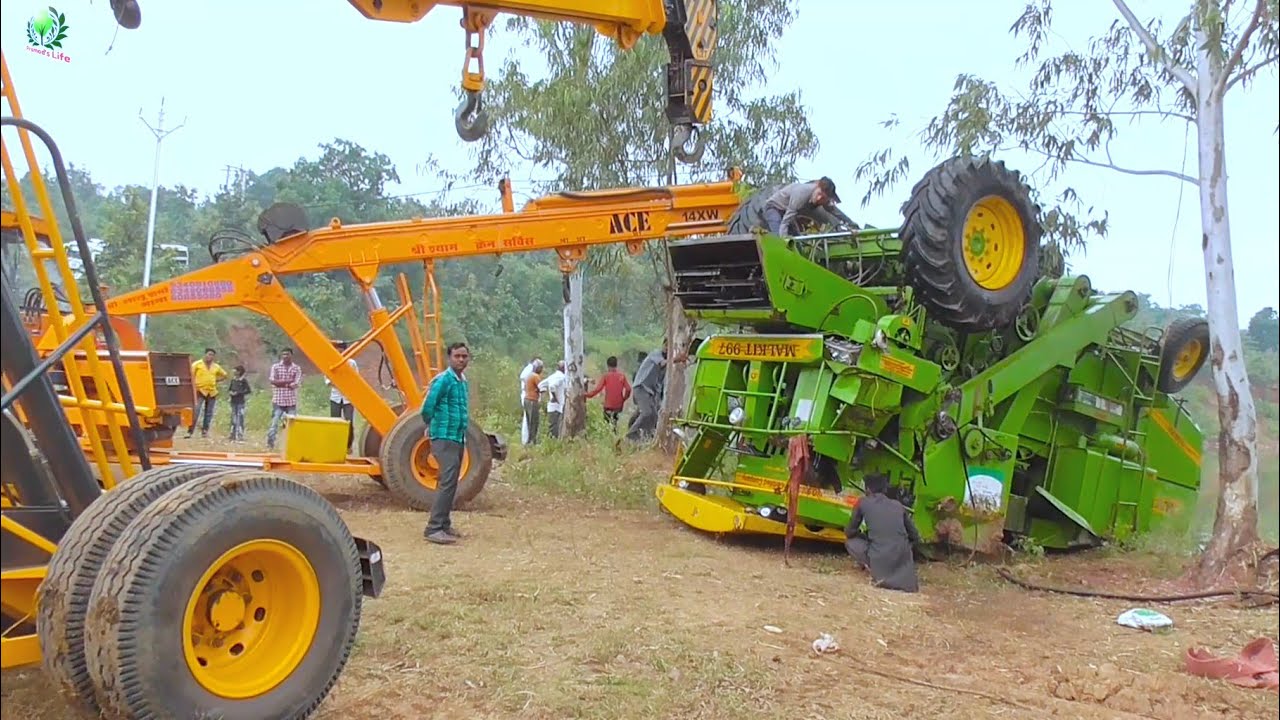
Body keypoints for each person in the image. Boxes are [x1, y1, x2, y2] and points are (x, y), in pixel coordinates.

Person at [420, 342, 472, 545]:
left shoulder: (461, 381)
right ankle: (433, 528)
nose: (461, 360)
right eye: (457, 356)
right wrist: (432, 426)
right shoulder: (443, 380)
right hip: (444, 437)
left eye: (464, 356)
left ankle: (444, 524)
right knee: (447, 482)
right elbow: (427, 406)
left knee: (450, 482)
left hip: (457, 437)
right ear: (449, 358)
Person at [844, 473, 921, 593]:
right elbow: (915, 536)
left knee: (851, 543)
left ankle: (870, 566)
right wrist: (905, 547)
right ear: (885, 490)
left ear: (867, 489)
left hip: (879, 557)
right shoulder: (898, 505)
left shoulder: (863, 502)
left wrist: (864, 535)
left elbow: (849, 532)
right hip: (902, 558)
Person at [764, 177, 859, 237]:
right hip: (774, 208)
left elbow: (835, 212)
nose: (819, 199)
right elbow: (785, 222)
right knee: (779, 238)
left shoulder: (823, 200)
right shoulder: (801, 194)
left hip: (787, 214)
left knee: (798, 241)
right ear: (817, 187)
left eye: (823, 198)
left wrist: (851, 224)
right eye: (819, 194)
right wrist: (783, 241)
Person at [626, 348, 667, 442]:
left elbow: (659, 384)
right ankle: (630, 435)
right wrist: (675, 359)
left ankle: (647, 437)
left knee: (654, 416)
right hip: (641, 388)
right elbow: (662, 363)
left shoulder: (665, 368)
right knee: (646, 413)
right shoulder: (656, 354)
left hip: (650, 393)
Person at [265, 347, 302, 451]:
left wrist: (280, 383)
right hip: (278, 400)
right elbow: (273, 381)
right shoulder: (276, 367)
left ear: (291, 355)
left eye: (287, 354)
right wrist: (288, 381)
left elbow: (295, 384)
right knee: (274, 423)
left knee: (292, 425)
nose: (285, 356)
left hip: (291, 401)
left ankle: (291, 445)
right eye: (283, 354)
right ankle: (270, 444)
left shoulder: (296, 368)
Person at [325, 340, 359, 454]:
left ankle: (348, 446)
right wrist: (342, 383)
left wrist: (343, 384)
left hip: (348, 398)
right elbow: (328, 381)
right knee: (335, 421)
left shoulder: (351, 363)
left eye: (340, 349)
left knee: (349, 422)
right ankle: (335, 445)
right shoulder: (330, 362)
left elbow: (355, 379)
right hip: (335, 397)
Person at [186, 348, 227, 439]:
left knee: (209, 413)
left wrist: (216, 381)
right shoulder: (197, 364)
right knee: (196, 411)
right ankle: (190, 431)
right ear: (205, 354)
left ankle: (205, 431)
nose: (210, 356)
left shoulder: (216, 366)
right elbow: (190, 375)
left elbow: (225, 375)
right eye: (209, 354)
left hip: (212, 391)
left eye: (212, 355)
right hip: (199, 390)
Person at [586, 355, 632, 431]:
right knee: (614, 423)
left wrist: (586, 395)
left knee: (607, 424)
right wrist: (624, 399)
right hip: (618, 406)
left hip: (608, 405)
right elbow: (628, 389)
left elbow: (598, 389)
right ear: (616, 365)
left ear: (608, 365)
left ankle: (609, 436)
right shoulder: (622, 376)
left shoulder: (606, 376)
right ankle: (614, 435)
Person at [539, 360, 568, 439]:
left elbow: (541, 385)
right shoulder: (561, 377)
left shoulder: (552, 376)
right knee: (555, 427)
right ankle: (552, 443)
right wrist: (555, 398)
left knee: (552, 426)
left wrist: (543, 395)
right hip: (557, 406)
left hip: (552, 406)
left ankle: (551, 442)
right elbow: (552, 387)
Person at [519, 356, 542, 445]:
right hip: (532, 399)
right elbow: (541, 387)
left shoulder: (528, 376)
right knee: (533, 421)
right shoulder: (534, 376)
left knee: (528, 420)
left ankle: (527, 440)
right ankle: (531, 440)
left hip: (526, 398)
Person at [227, 365, 251, 442]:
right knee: (233, 418)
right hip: (233, 401)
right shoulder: (233, 380)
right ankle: (232, 434)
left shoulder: (243, 380)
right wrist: (231, 392)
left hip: (240, 402)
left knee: (240, 418)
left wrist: (238, 393)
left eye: (235, 370)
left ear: (239, 372)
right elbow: (230, 389)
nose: (234, 371)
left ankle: (240, 434)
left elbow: (248, 390)